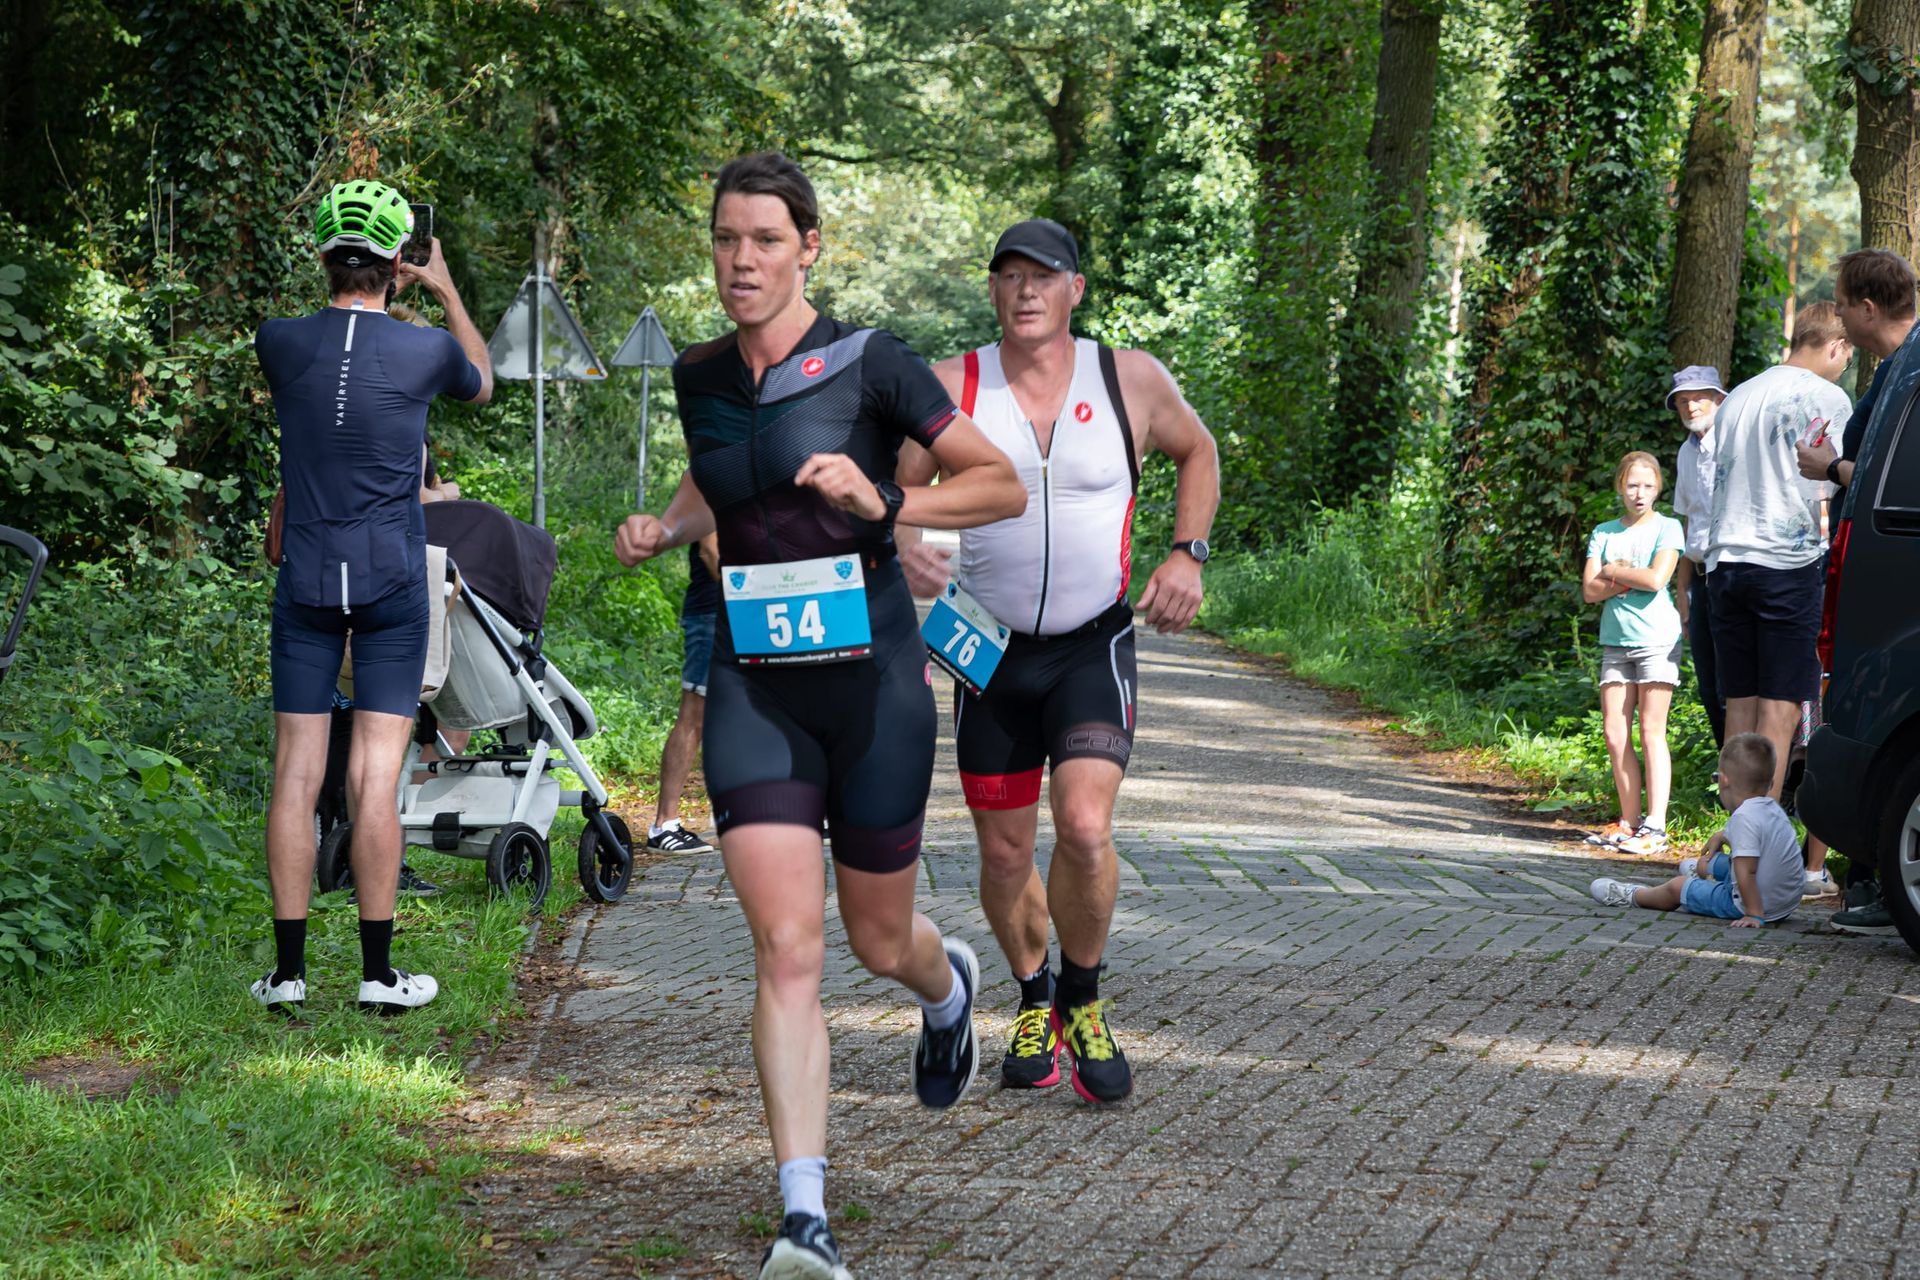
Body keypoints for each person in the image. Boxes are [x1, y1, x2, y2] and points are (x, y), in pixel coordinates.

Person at [610, 152, 1025, 1280]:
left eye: (764, 241)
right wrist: (664, 519)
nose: (740, 261)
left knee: (875, 939)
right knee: (787, 948)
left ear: (809, 248)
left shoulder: (871, 362)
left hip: (875, 688)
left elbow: (999, 483)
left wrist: (886, 501)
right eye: (725, 240)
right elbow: (723, 475)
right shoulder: (699, 375)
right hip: (756, 686)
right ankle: (804, 1219)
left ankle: (950, 989)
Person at [894, 218, 1219, 1105]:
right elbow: (899, 488)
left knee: (1081, 827)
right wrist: (910, 531)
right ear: (993, 290)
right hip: (986, 649)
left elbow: (1199, 450)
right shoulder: (953, 385)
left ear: (1077, 290)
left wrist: (1187, 552)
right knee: (1003, 856)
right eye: (1010, 276)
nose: (1026, 290)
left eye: (1045, 276)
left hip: (1092, 642)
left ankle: (1083, 993)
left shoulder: (1130, 377)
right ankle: (1033, 995)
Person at [252, 179, 492, 1015]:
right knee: (375, 777)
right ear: (396, 259)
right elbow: (483, 382)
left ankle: (286, 977)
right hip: (390, 582)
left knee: (295, 773)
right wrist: (445, 287)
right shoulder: (426, 350)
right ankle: (378, 976)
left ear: (322, 255)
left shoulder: (278, 341)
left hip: (309, 580)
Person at [1796, 250, 1919, 933]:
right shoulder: (1899, 367)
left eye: (1842, 302)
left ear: (1868, 309)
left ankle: (1874, 885)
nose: (1836, 313)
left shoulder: (1912, 371)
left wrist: (1833, 466)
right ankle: (1869, 883)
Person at [1703, 303, 1850, 829]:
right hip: (1786, 564)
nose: (1846, 366)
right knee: (1782, 709)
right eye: (1847, 355)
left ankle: (1728, 833)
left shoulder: (1739, 394)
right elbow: (1835, 480)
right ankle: (1760, 839)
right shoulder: (1826, 396)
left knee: (1738, 708)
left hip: (1725, 561)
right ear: (1835, 346)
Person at [1579, 452, 1685, 855]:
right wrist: (1625, 577)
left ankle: (1655, 826)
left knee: (1650, 730)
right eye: (1631, 486)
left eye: (1647, 486)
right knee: (1613, 732)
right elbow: (1589, 592)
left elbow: (1657, 579)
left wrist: (1612, 571)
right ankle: (1629, 821)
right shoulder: (1604, 532)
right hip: (1615, 642)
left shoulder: (1668, 527)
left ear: (1659, 487)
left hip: (1657, 640)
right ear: (1620, 487)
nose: (1639, 494)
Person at [1589, 733, 1804, 928]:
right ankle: (1704, 872)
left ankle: (1634, 896)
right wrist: (1722, 835)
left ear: (1723, 780)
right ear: (1770, 783)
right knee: (1708, 864)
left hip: (1754, 905)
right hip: (1784, 901)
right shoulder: (1771, 808)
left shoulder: (1743, 818)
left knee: (1678, 886)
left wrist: (1754, 914)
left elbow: (1747, 871)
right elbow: (1760, 842)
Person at [1666, 365, 1727, 748]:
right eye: (1683, 402)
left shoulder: (1735, 443)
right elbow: (1690, 522)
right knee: (1707, 680)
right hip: (1702, 578)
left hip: (1734, 571)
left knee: (1733, 680)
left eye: (1698, 398)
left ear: (1719, 398)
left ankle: (1766, 781)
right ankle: (1727, 768)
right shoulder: (1685, 454)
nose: (1691, 407)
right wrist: (1682, 588)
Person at [648, 536, 720, 854]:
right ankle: (664, 825)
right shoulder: (709, 483)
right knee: (695, 716)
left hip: (762, 609)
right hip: (715, 611)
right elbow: (709, 548)